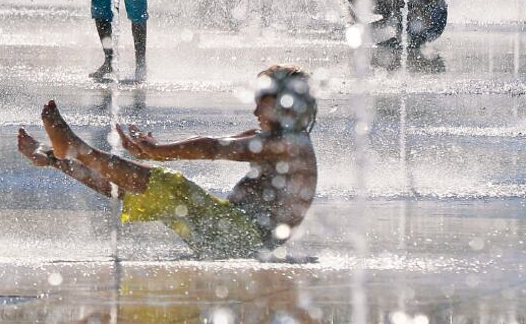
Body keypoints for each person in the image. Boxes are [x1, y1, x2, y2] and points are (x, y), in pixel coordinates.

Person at [18, 65, 318, 259]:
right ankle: (55, 158)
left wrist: (158, 151)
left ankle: (74, 150)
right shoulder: (274, 138)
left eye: (261, 101)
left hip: (246, 241)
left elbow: (213, 148)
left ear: (284, 102)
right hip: (236, 236)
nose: (254, 110)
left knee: (169, 184)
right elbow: (215, 144)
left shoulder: (290, 144)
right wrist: (147, 151)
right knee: (135, 188)